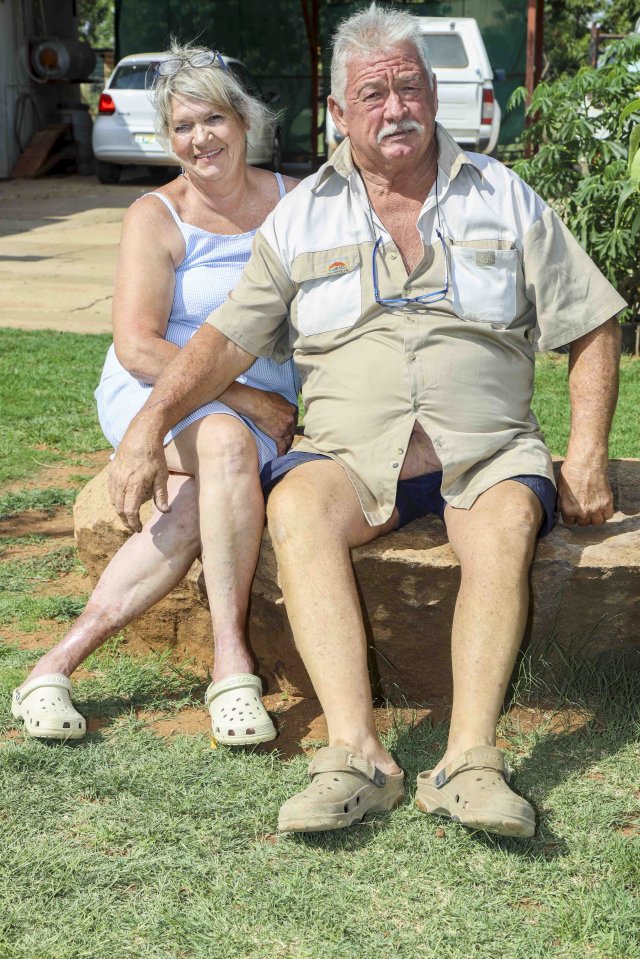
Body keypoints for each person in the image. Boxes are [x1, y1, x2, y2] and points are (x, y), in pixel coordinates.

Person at [107, 5, 624, 838]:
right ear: (339, 114)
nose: (397, 108)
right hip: (348, 453)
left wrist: (589, 450)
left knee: (504, 524)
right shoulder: (303, 214)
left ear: (435, 97)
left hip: (486, 449)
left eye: (411, 87)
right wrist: (149, 423)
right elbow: (225, 340)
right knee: (298, 506)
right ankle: (357, 757)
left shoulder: (505, 194)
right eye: (373, 94)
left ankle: (470, 760)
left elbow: (593, 321)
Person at [11, 43, 300, 746]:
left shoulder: (295, 202)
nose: (200, 138)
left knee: (208, 487)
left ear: (244, 121)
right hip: (157, 389)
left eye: (213, 120)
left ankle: (54, 664)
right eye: (183, 126)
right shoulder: (155, 216)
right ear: (167, 138)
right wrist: (245, 398)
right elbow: (139, 343)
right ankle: (233, 666)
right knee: (227, 444)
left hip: (259, 402)